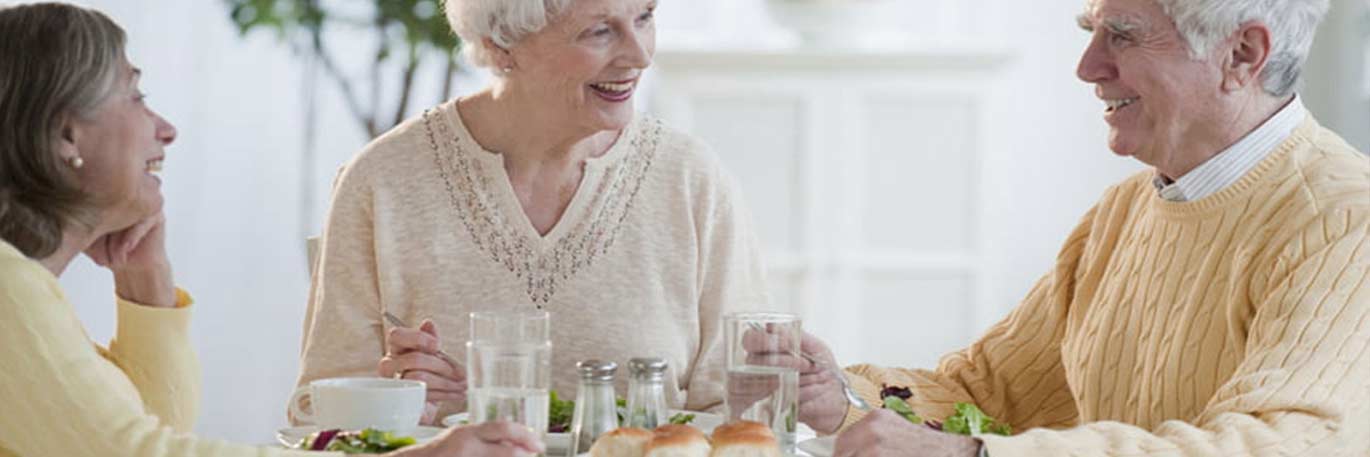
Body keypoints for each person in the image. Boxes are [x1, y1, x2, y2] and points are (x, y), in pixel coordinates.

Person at [747, 0, 1370, 455]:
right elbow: (989, 394)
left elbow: (1282, 443)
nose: (1088, 66)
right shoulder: (1122, 213)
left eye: (1121, 36)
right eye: (1090, 31)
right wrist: (845, 396)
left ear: (1242, 56)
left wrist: (973, 456)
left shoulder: (1344, 220)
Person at [0, 3, 542, 456]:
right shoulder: (9, 290)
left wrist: (146, 283)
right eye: (135, 96)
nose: (166, 129)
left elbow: (156, 427)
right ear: (66, 134)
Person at [296, 0, 770, 423]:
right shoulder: (383, 179)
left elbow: (745, 410)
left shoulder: (691, 180)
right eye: (599, 31)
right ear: (501, 46)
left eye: (645, 17)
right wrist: (392, 405)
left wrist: (828, 402)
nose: (641, 55)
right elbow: (315, 417)